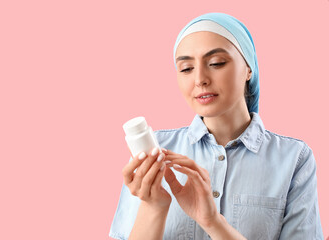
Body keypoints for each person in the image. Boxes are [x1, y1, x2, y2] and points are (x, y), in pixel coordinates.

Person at [109, 12, 324, 239]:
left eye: (216, 63)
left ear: (249, 68)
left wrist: (213, 222)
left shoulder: (293, 159)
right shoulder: (155, 152)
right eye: (186, 69)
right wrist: (154, 208)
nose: (200, 78)